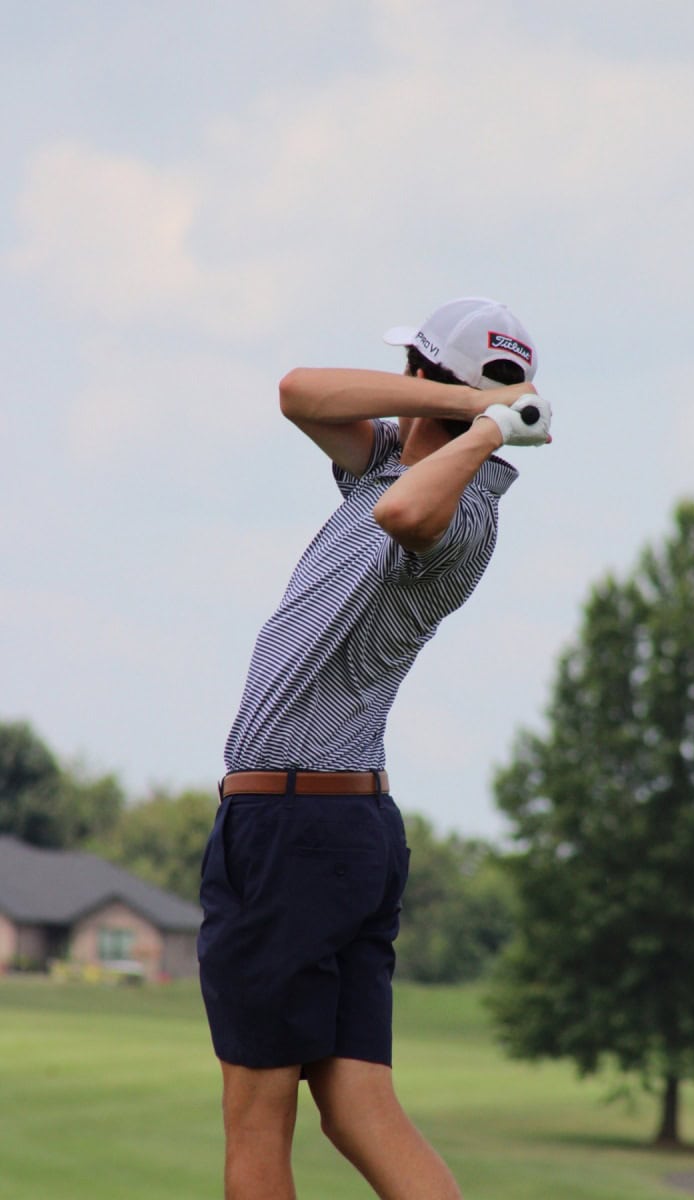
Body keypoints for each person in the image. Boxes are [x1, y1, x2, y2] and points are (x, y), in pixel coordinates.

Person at [198, 296, 552, 1200]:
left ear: (425, 379)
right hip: (340, 830)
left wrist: (480, 431)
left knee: (256, 1119)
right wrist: (472, 408)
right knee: (358, 1106)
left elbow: (404, 516)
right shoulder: (385, 457)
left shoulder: (463, 511)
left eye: (413, 370)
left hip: (292, 827)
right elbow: (297, 392)